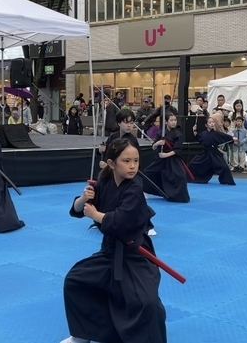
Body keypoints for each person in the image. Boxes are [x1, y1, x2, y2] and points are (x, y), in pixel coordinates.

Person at [61, 139, 167, 343]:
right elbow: (77, 210)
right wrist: (83, 199)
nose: (133, 166)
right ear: (111, 163)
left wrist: (95, 215)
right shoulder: (104, 183)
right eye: (126, 161)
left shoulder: (135, 187)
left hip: (135, 253)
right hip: (110, 251)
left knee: (147, 303)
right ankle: (83, 334)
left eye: (136, 160)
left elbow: (120, 221)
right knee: (76, 281)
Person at [99, 108, 157, 235]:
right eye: (126, 122)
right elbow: (109, 154)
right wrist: (102, 154)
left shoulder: (132, 140)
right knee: (108, 197)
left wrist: (132, 168)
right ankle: (103, 219)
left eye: (131, 123)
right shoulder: (113, 137)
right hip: (114, 174)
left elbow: (135, 159)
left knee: (135, 201)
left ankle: (146, 225)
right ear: (119, 123)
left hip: (128, 175)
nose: (129, 125)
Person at [143, 112, 192, 203]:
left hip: (173, 159)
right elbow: (153, 147)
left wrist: (166, 154)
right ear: (166, 122)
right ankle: (150, 190)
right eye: (171, 120)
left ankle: (177, 195)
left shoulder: (178, 135)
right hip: (161, 160)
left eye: (175, 120)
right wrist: (158, 143)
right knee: (148, 173)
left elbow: (178, 150)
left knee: (181, 176)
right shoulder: (160, 133)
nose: (174, 122)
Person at [189, 114, 237, 185]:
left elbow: (224, 136)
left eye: (213, 122)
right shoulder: (203, 134)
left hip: (214, 153)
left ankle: (226, 180)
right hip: (205, 153)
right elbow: (198, 138)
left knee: (224, 167)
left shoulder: (216, 133)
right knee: (193, 164)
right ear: (206, 125)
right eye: (210, 122)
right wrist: (194, 131)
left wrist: (232, 138)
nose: (212, 124)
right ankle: (194, 178)